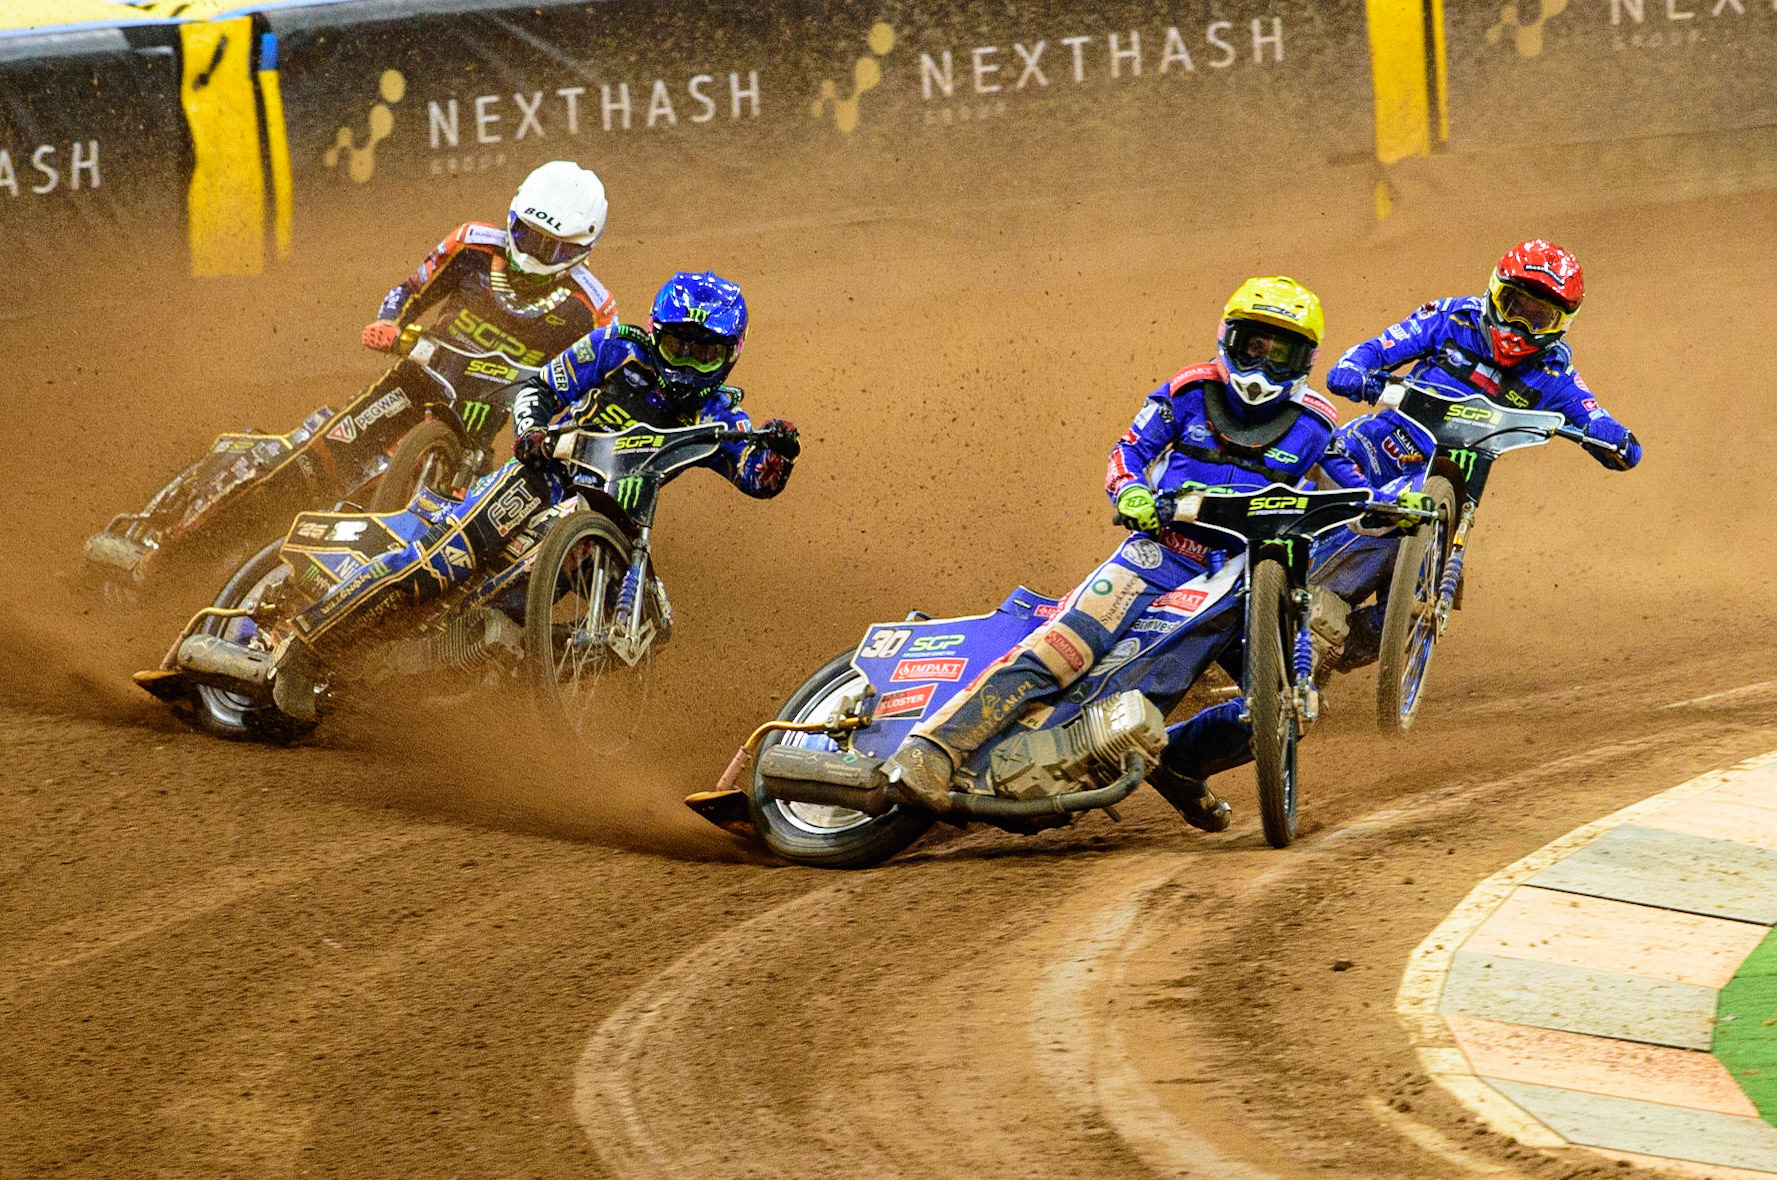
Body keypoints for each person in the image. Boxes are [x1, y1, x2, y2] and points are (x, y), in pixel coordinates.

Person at [880, 277, 1412, 828]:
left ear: (1306, 360)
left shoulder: (1316, 421)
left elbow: (1348, 483)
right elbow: (1129, 452)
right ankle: (929, 751)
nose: (1264, 366)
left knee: (1287, 707)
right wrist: (1131, 491)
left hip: (1245, 575)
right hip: (1159, 552)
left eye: (1284, 355)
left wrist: (1391, 503)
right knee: (1064, 650)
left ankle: (1180, 761)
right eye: (1255, 346)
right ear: (1230, 338)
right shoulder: (1187, 392)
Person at [270, 271, 800, 720]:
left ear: (730, 355)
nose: (686, 365)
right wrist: (531, 431)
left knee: (519, 622)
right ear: (657, 335)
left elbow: (758, 477)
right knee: (440, 563)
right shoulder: (616, 347)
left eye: (704, 354)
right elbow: (540, 390)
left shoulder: (722, 417)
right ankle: (305, 649)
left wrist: (780, 451)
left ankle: (470, 694)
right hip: (540, 476)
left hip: (605, 526)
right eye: (678, 348)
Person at [1314, 239, 1641, 671]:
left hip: (1446, 490)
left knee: (1420, 603)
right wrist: (1359, 372)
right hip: (1377, 447)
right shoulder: (1451, 317)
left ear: (1562, 324)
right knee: (1307, 462)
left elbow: (1607, 429)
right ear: (1494, 291)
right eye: (1514, 304)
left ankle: (1314, 658)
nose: (1519, 324)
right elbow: (1373, 350)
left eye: (1538, 316)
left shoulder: (1556, 376)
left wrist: (1610, 437)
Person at [361, 159, 618, 361]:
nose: (532, 252)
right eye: (527, 235)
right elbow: (413, 290)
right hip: (431, 367)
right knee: (347, 426)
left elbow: (605, 375)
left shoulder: (595, 308)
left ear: (581, 247)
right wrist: (389, 322)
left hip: (515, 405)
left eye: (552, 247)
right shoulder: (471, 243)